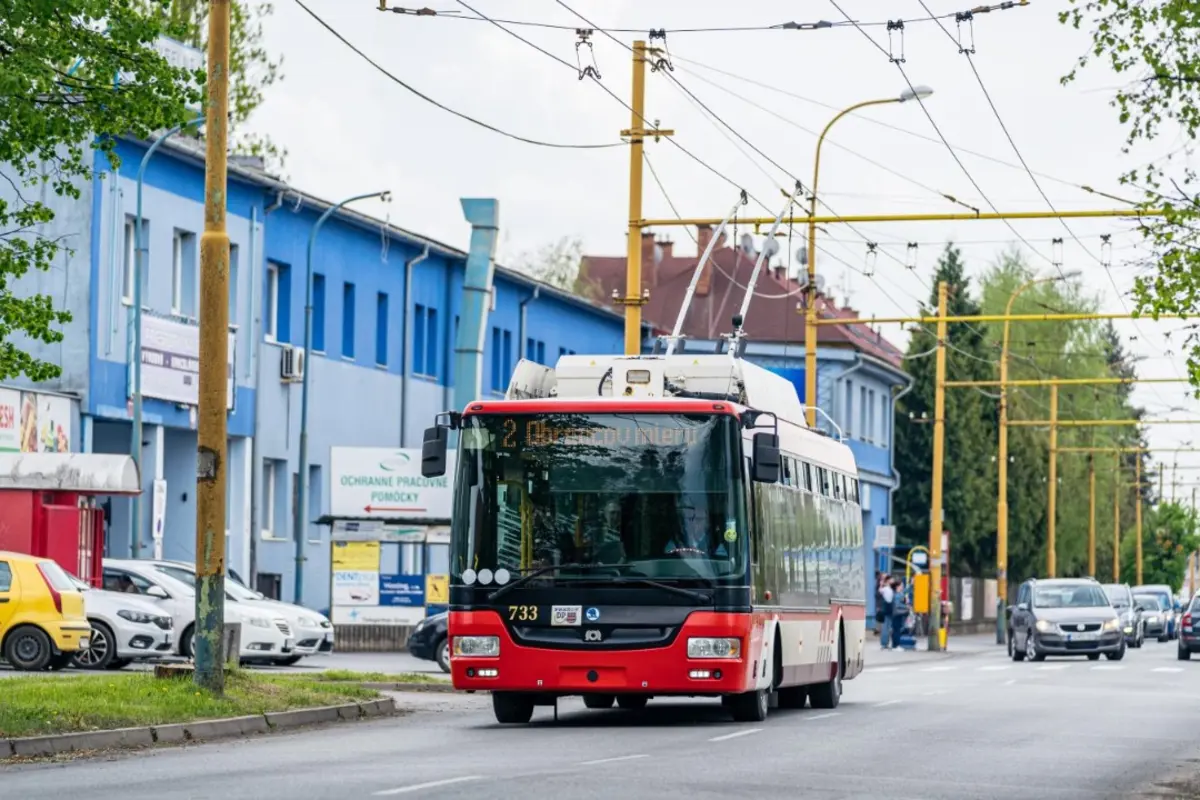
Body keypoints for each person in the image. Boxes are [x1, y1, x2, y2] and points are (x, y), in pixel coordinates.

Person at [891, 578, 910, 647]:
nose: (902, 587)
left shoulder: (899, 593)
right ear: (897, 587)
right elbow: (897, 604)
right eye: (901, 586)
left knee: (897, 629)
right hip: (897, 614)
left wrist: (911, 585)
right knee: (897, 630)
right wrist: (906, 606)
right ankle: (896, 645)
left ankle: (895, 645)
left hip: (897, 614)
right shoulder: (897, 595)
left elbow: (905, 591)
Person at [879, 577, 896, 649]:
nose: (893, 581)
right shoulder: (886, 589)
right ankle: (884, 643)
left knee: (887, 627)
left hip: (888, 610)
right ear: (888, 581)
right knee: (886, 627)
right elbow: (880, 591)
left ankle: (885, 643)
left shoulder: (890, 589)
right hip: (888, 611)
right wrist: (882, 584)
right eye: (892, 580)